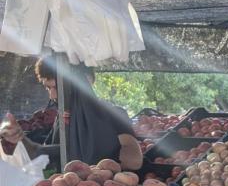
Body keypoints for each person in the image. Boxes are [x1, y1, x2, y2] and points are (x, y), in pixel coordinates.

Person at [12, 57, 142, 170]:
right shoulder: (62, 117)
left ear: (85, 82)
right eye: (48, 88)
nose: (52, 95)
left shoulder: (113, 114)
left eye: (56, 87)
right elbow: (57, 150)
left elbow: (134, 161)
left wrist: (103, 169)